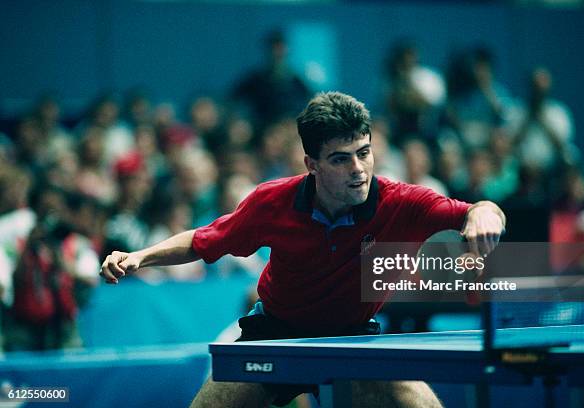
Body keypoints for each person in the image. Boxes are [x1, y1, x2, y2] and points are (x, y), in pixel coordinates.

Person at [100, 92, 506, 408]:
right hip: (275, 335)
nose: (359, 169)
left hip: (353, 339)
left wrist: (483, 215)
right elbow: (205, 239)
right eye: (341, 159)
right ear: (312, 164)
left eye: (364, 153)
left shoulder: (400, 201)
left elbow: (479, 211)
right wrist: (139, 257)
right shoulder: (271, 202)